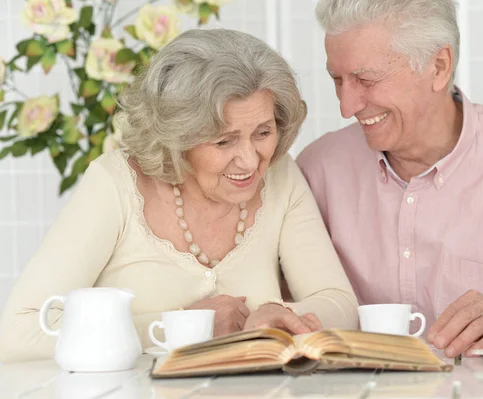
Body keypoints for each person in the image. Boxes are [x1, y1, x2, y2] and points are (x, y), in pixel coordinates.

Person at [0, 28, 358, 363]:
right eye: (224, 140)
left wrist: (277, 318)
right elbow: (18, 331)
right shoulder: (114, 184)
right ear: (176, 139)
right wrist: (185, 327)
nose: (250, 159)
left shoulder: (281, 176)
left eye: (262, 132)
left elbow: (341, 305)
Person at [297, 0, 483, 358]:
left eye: (365, 79)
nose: (346, 106)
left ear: (439, 67)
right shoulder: (317, 170)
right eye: (337, 79)